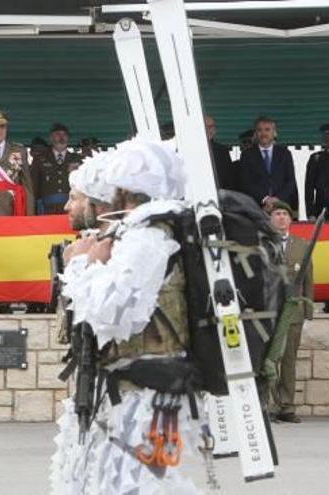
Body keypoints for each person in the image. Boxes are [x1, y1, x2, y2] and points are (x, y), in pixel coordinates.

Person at [51, 138, 201, 493]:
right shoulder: (142, 234)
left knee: (139, 487)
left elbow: (112, 314)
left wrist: (80, 266)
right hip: (134, 393)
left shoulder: (148, 239)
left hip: (148, 396)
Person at [268, 201, 313, 424]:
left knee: (288, 361)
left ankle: (286, 406)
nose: (281, 218)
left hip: (293, 312)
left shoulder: (302, 245)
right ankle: (269, 404)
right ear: (270, 218)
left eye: (285, 214)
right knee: (269, 360)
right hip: (270, 312)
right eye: (277, 214)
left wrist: (308, 313)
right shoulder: (263, 245)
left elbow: (308, 281)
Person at [237, 116, 298, 213]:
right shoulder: (247, 155)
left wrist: (277, 199)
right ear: (255, 133)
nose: (263, 133)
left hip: (281, 207)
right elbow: (245, 182)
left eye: (267, 130)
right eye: (259, 130)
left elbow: (290, 182)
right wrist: (265, 199)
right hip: (256, 207)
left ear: (274, 132)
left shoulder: (285, 154)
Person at [31, 123, 83, 215]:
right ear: (51, 138)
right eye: (58, 134)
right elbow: (33, 187)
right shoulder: (39, 159)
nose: (61, 138)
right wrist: (33, 210)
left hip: (71, 209)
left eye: (64, 135)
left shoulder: (77, 159)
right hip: (47, 210)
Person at [303, 123, 329, 220]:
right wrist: (310, 213)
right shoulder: (316, 158)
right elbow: (309, 188)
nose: (327, 139)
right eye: (325, 136)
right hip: (321, 209)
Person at [205, 115, 235, 191]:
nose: (208, 130)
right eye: (205, 126)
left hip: (220, 197)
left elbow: (229, 179)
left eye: (211, 126)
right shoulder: (190, 150)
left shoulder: (223, 151)